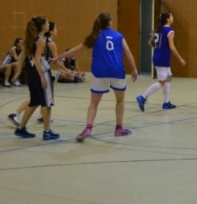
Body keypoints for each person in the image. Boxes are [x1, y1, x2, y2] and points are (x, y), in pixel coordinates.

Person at [55, 13, 139, 141]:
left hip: (100, 72)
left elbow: (76, 50)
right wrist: (134, 69)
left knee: (94, 103)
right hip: (117, 71)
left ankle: (88, 128)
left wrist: (58, 57)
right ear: (110, 22)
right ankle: (119, 128)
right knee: (120, 100)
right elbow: (127, 52)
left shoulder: (94, 36)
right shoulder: (119, 36)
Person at [13, 16, 58, 140]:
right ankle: (47, 131)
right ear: (43, 26)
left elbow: (22, 57)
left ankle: (21, 128)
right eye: (47, 23)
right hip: (40, 73)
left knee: (34, 101)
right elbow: (37, 59)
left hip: (30, 73)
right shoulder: (41, 40)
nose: (48, 25)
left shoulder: (30, 39)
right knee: (46, 102)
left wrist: (18, 72)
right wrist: (42, 76)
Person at [137, 12, 186, 111]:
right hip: (162, 59)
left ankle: (166, 103)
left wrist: (159, 49)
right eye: (171, 16)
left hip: (158, 57)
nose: (173, 17)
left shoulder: (158, 30)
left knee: (168, 77)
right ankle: (143, 97)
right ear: (168, 19)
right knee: (161, 82)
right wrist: (180, 58)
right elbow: (172, 47)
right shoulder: (170, 31)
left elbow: (150, 42)